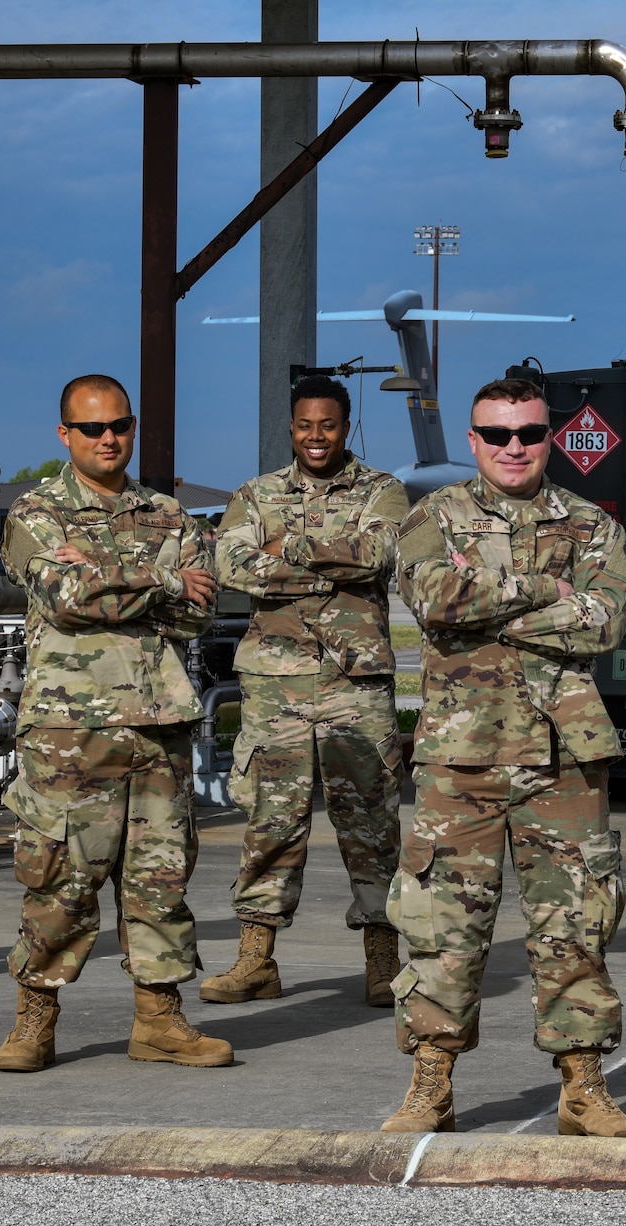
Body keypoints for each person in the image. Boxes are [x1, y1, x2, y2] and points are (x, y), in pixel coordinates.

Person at [379, 377, 626, 1138]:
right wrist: (544, 589)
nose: (514, 448)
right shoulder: (435, 515)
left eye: (528, 433)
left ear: (550, 436)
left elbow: (606, 620)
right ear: (473, 441)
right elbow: (433, 598)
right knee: (441, 927)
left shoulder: (591, 523)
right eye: (497, 435)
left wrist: (489, 604)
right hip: (459, 760)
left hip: (564, 758)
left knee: (577, 923)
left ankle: (583, 1085)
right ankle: (431, 1083)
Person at [0, 373, 232, 1073]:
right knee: (62, 876)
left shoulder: (167, 512)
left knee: (160, 877)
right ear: (64, 434)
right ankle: (35, 1014)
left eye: (119, 426)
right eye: (92, 428)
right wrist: (158, 580)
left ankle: (159, 1018)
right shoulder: (35, 514)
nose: (109, 439)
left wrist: (107, 574)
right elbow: (66, 598)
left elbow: (201, 607)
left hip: (158, 723)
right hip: (71, 726)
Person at [202, 375, 408, 1007]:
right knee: (271, 820)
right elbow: (231, 566)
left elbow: (377, 554)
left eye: (328, 425)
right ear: (290, 428)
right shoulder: (254, 493)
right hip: (276, 683)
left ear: (347, 426)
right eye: (304, 426)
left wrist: (284, 547)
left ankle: (382, 957)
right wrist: (329, 565)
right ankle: (256, 960)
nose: (316, 437)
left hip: (355, 683)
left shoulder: (385, 491)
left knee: (370, 822)